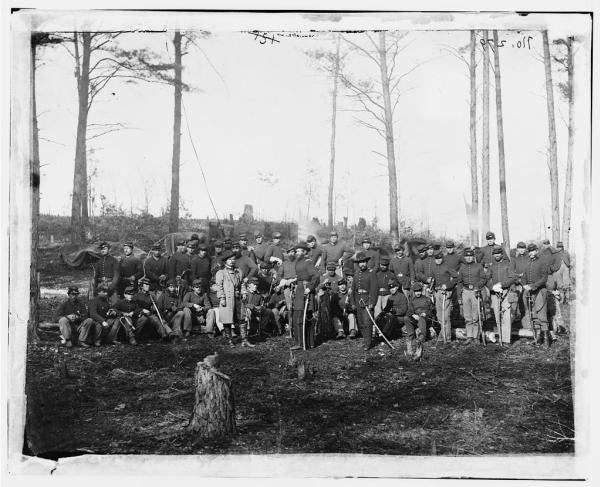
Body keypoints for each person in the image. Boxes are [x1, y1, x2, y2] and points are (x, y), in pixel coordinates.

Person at [519, 243, 551, 347]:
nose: (531, 253)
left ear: (537, 251)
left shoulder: (543, 261)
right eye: (530, 251)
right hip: (529, 292)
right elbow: (523, 276)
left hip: (540, 291)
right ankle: (538, 338)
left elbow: (544, 278)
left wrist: (533, 286)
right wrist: (524, 285)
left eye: (533, 251)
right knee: (534, 315)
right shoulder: (528, 263)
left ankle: (546, 339)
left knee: (542, 315)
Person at [216, 251, 251, 347]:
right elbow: (219, 287)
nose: (231, 261)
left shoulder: (238, 271)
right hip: (227, 299)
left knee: (242, 318)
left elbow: (242, 283)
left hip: (238, 298)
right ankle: (230, 341)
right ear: (225, 261)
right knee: (227, 320)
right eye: (229, 259)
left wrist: (243, 292)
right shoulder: (221, 273)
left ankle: (244, 340)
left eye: (233, 259)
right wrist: (222, 298)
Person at [290, 241, 320, 350]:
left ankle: (305, 343)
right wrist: (293, 282)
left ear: (304, 252)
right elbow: (300, 276)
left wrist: (309, 288)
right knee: (296, 316)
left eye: (299, 251)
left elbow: (316, 276)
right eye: (296, 251)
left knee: (303, 317)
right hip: (299, 290)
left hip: (305, 290)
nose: (296, 252)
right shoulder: (297, 262)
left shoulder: (307, 262)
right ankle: (299, 342)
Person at [486, 247, 517, 346]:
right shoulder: (491, 266)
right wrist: (492, 287)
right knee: (497, 316)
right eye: (495, 254)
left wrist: (502, 285)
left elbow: (513, 278)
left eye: (499, 253)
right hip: (495, 293)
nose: (497, 255)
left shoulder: (508, 264)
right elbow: (486, 279)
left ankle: (506, 340)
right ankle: (500, 338)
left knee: (506, 316)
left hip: (505, 291)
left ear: (502, 254)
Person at [457, 248, 487, 345]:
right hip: (465, 292)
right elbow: (459, 282)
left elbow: (483, 278)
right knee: (467, 316)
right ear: (465, 257)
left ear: (473, 257)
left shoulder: (478, 266)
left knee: (476, 316)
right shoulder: (462, 267)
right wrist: (459, 296)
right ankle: (469, 336)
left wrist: (478, 287)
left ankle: (476, 337)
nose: (469, 258)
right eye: (467, 256)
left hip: (475, 292)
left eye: (470, 256)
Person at [351, 251, 379, 351]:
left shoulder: (371, 273)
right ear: (358, 264)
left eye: (363, 262)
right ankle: (365, 340)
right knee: (361, 322)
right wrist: (353, 303)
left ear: (366, 262)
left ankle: (368, 343)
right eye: (360, 262)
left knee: (367, 322)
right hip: (358, 301)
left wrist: (372, 302)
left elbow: (374, 289)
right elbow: (353, 290)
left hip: (367, 301)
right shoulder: (356, 274)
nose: (362, 264)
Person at [431, 251, 458, 342]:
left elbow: (456, 278)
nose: (438, 260)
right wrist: (430, 287)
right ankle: (443, 335)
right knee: (439, 315)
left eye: (439, 258)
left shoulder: (447, 266)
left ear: (442, 258)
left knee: (445, 316)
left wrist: (447, 285)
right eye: (436, 259)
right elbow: (432, 279)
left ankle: (448, 337)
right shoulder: (434, 268)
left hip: (445, 292)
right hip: (437, 292)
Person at [403, 282, 432, 358]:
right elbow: (409, 311)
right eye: (416, 291)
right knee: (406, 318)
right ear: (414, 292)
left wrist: (426, 313)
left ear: (421, 291)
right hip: (416, 319)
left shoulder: (427, 299)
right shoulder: (412, 301)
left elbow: (432, 310)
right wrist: (413, 315)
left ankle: (422, 337)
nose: (418, 293)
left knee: (422, 319)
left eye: (419, 291)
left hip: (425, 319)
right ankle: (411, 337)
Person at [373, 255, 396, 320]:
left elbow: (395, 285)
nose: (383, 266)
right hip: (378, 295)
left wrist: (389, 288)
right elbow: (374, 285)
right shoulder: (377, 274)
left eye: (385, 265)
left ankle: (386, 324)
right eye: (381, 265)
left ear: (387, 265)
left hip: (387, 295)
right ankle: (377, 324)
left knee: (386, 311)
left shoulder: (391, 274)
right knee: (377, 311)